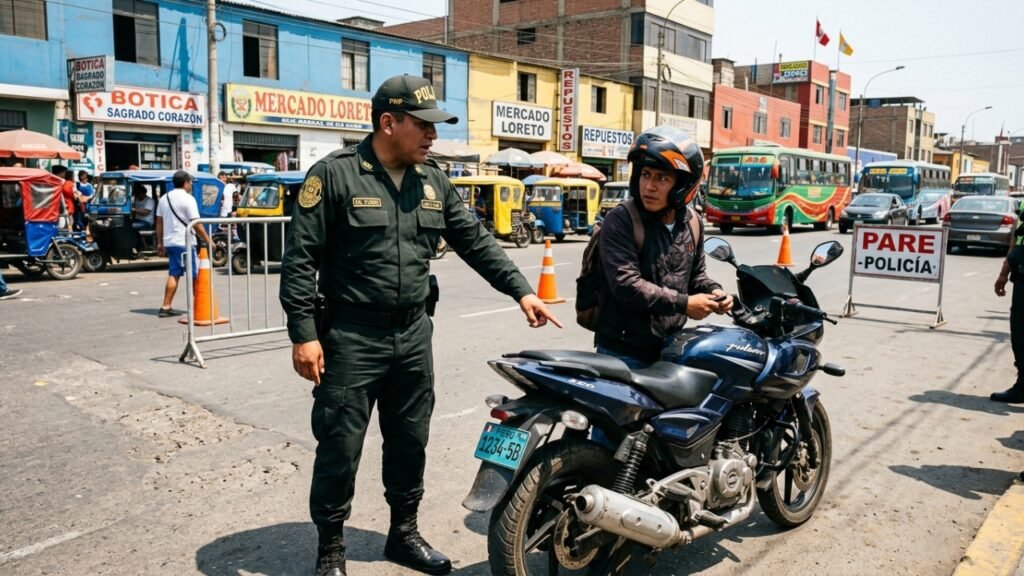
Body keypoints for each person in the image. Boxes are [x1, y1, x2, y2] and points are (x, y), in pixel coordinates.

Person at [279, 74, 561, 576]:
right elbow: (300, 259)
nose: (433, 135)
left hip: (412, 335)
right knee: (340, 445)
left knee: (410, 440)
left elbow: (475, 240)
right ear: (389, 123)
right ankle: (331, 550)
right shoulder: (336, 176)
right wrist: (304, 334)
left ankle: (403, 534)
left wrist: (521, 290)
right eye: (424, 125)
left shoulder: (432, 181)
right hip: (350, 337)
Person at [595, 126, 733, 368]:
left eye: (662, 178)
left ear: (683, 185)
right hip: (623, 352)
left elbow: (695, 276)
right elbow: (626, 284)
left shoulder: (692, 222)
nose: (649, 186)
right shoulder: (621, 220)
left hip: (670, 347)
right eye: (645, 174)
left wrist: (715, 292)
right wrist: (684, 304)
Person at [155, 171, 212, 318]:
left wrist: (160, 242)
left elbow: (159, 222)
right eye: (190, 182)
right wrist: (208, 240)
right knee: (194, 275)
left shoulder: (164, 198)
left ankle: (166, 306)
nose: (191, 184)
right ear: (186, 183)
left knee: (174, 274)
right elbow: (196, 223)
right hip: (185, 242)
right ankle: (199, 306)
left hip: (170, 242)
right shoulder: (188, 199)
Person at [992, 211, 1024, 403]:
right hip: (1022, 277)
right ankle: (1022, 386)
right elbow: (1016, 240)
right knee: (1019, 334)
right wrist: (1004, 273)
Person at [52, 165, 76, 230]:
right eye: (64, 173)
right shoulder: (64, 182)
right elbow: (71, 194)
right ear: (60, 173)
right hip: (65, 209)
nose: (65, 174)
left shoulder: (50, 181)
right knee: (68, 226)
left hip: (52, 210)